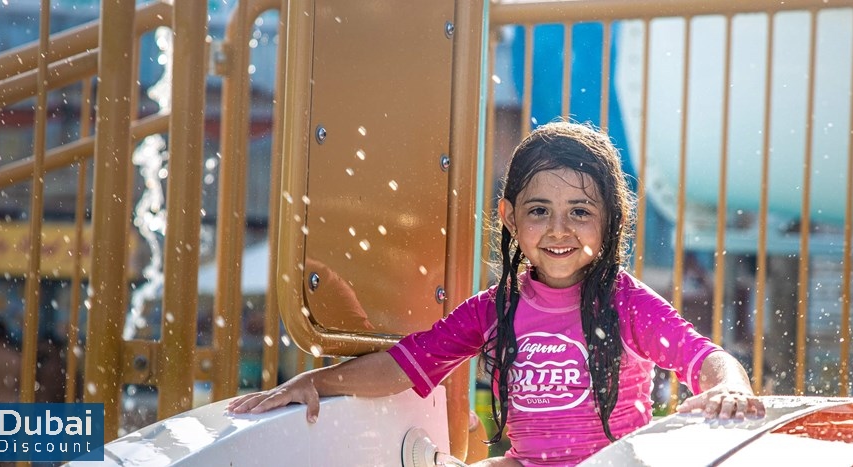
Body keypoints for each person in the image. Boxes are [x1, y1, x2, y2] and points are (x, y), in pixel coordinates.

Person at [227, 121, 765, 466]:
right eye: (539, 212)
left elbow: (705, 357)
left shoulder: (624, 303)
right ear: (509, 218)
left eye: (580, 212)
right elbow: (407, 364)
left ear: (610, 222)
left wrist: (731, 387)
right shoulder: (496, 307)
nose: (558, 230)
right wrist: (317, 380)